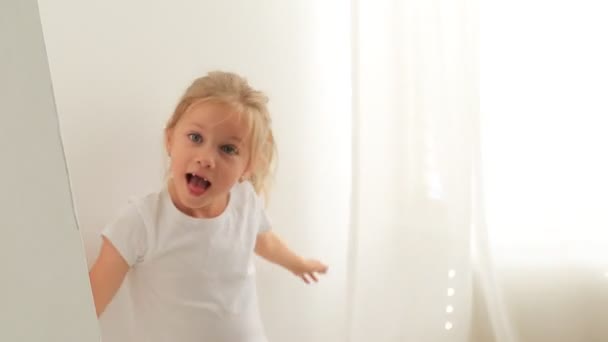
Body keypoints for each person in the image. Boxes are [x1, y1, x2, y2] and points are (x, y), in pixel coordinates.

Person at [88, 71, 328, 342]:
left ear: (247, 167)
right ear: (170, 139)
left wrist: (298, 264)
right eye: (195, 138)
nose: (206, 159)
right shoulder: (142, 222)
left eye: (228, 149)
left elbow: (265, 242)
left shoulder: (245, 202)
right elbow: (91, 301)